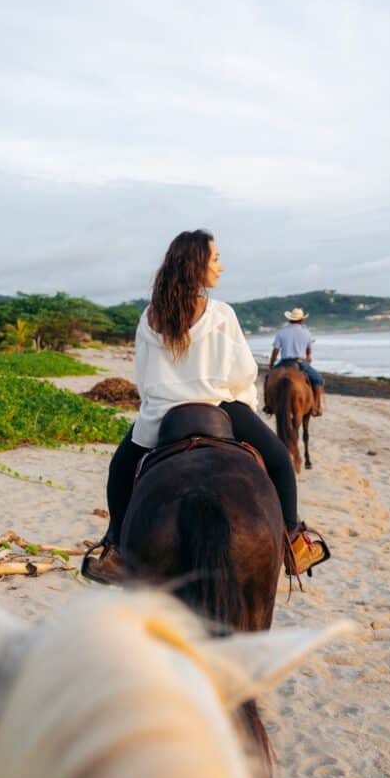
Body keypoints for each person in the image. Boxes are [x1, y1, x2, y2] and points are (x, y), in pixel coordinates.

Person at [83, 229, 328, 584]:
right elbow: (244, 370)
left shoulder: (150, 316)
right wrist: (241, 399)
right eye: (215, 259)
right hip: (220, 407)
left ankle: (117, 548)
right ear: (197, 264)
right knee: (277, 459)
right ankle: (293, 539)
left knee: (120, 469)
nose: (221, 266)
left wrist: (160, 402)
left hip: (163, 416)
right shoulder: (221, 313)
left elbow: (144, 376)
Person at [266, 308, 324, 416]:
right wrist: (308, 360)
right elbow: (308, 352)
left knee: (268, 377)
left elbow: (275, 351)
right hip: (300, 362)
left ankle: (268, 405)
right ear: (302, 320)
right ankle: (316, 406)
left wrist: (271, 365)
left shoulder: (281, 332)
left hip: (284, 362)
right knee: (317, 379)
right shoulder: (306, 333)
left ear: (289, 320)